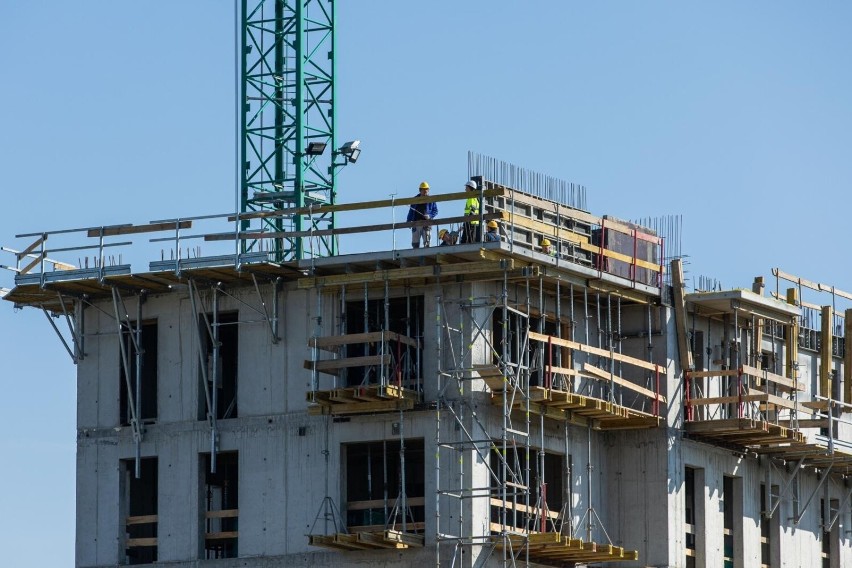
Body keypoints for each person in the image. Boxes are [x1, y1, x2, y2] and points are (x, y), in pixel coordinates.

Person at [407, 181, 438, 248]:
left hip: (426, 224)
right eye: (424, 189)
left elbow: (435, 211)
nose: (425, 191)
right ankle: (416, 256)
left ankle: (426, 256)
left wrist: (429, 216)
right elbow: (411, 211)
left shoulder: (431, 199)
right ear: (420, 190)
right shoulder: (415, 199)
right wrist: (408, 221)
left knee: (427, 244)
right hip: (416, 224)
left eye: (427, 189)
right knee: (415, 244)